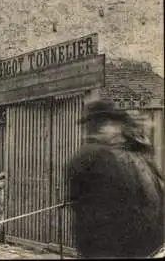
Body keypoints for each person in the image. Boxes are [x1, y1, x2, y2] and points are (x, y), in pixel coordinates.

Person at [68, 100, 164, 259]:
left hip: (113, 242)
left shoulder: (113, 155)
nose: (117, 131)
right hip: (109, 244)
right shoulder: (100, 156)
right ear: (103, 126)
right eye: (114, 125)